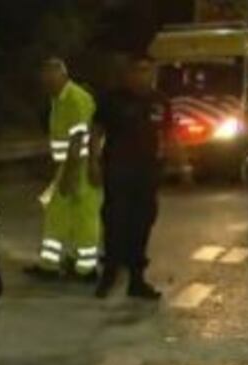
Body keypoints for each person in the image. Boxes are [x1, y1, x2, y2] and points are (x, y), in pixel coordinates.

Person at [90, 54, 172, 300]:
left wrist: (179, 163)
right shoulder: (112, 100)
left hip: (147, 173)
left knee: (142, 224)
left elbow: (168, 134)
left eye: (148, 70)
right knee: (115, 222)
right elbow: (96, 131)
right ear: (128, 74)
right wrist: (92, 162)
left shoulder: (160, 101)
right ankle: (110, 274)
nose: (142, 75)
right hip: (118, 171)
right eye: (138, 70)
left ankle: (137, 280)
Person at [27, 58, 102, 280]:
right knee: (58, 215)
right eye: (45, 81)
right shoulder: (59, 99)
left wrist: (69, 174)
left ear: (62, 76)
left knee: (84, 219)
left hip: (79, 167)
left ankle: (85, 269)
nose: (47, 85)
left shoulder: (76, 99)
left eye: (51, 80)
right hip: (67, 167)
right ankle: (51, 265)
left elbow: (78, 138)